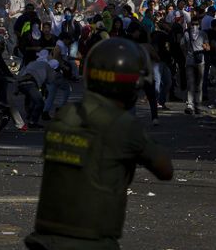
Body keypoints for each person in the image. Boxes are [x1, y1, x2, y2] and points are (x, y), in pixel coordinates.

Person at [25, 38, 173, 250]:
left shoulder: (65, 115)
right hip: (91, 241)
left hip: (45, 239)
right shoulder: (123, 125)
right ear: (133, 84)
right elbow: (165, 169)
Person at [181, 19, 210, 115]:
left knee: (198, 84)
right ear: (190, 25)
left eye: (196, 24)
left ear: (199, 25)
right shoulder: (186, 34)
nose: (194, 26)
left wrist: (205, 47)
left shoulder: (203, 34)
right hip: (191, 62)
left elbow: (208, 47)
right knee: (191, 84)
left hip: (199, 62)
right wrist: (187, 55)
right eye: (193, 24)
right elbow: (182, 46)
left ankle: (197, 105)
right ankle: (190, 105)